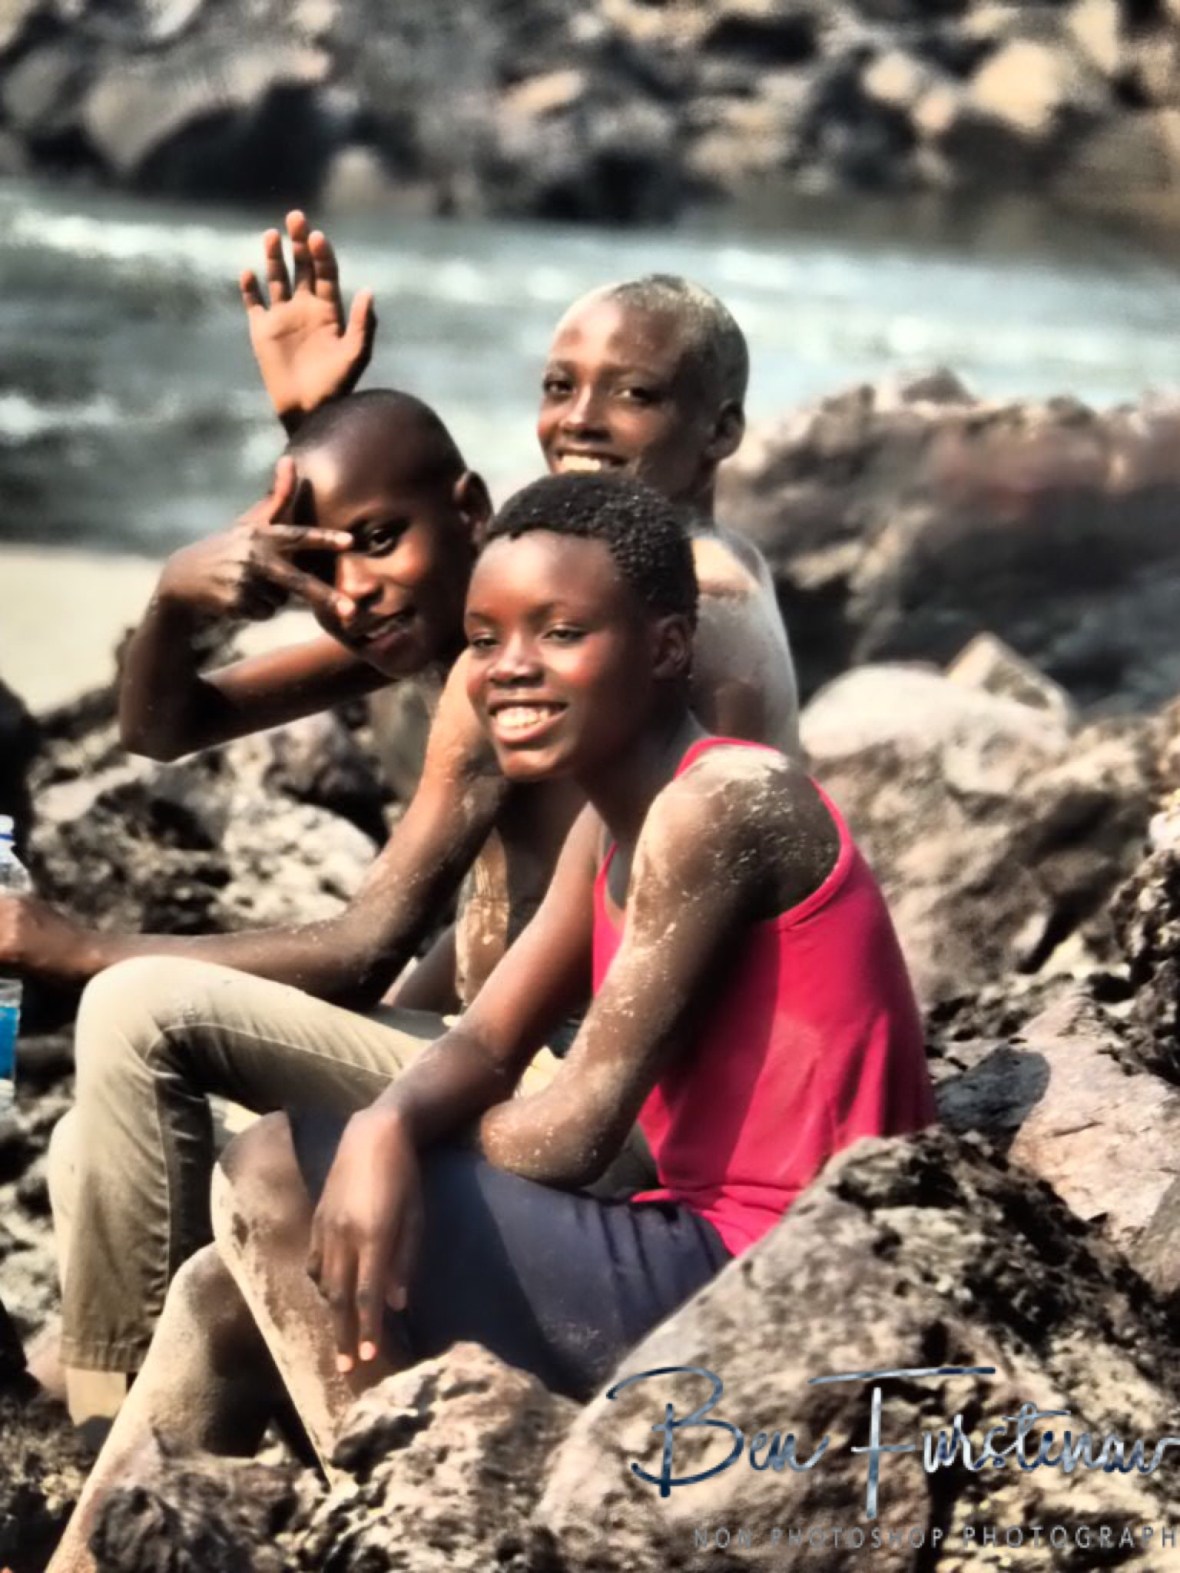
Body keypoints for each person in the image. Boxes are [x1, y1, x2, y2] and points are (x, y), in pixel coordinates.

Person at [44, 473, 933, 1573]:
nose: (511, 665)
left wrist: (379, 1143)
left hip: (782, 1283)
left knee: (278, 1171)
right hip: (692, 1246)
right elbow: (480, 1041)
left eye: (560, 632)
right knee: (225, 1287)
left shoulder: (725, 801)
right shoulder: (606, 828)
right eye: (486, 636)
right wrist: (381, 1127)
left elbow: (577, 1130)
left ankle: (409, 1533)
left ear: (665, 647)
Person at [34, 232, 807, 1418]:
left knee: (133, 1006)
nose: (581, 420)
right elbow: (172, 722)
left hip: (596, 1102)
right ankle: (138, 1428)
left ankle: (93, 1416)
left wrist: (70, 947)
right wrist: (323, 449)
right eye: (559, 387)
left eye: (634, 393)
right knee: (90, 1150)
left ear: (722, 432)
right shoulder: (583, 588)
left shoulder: (688, 613)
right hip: (495, 1042)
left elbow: (372, 943)